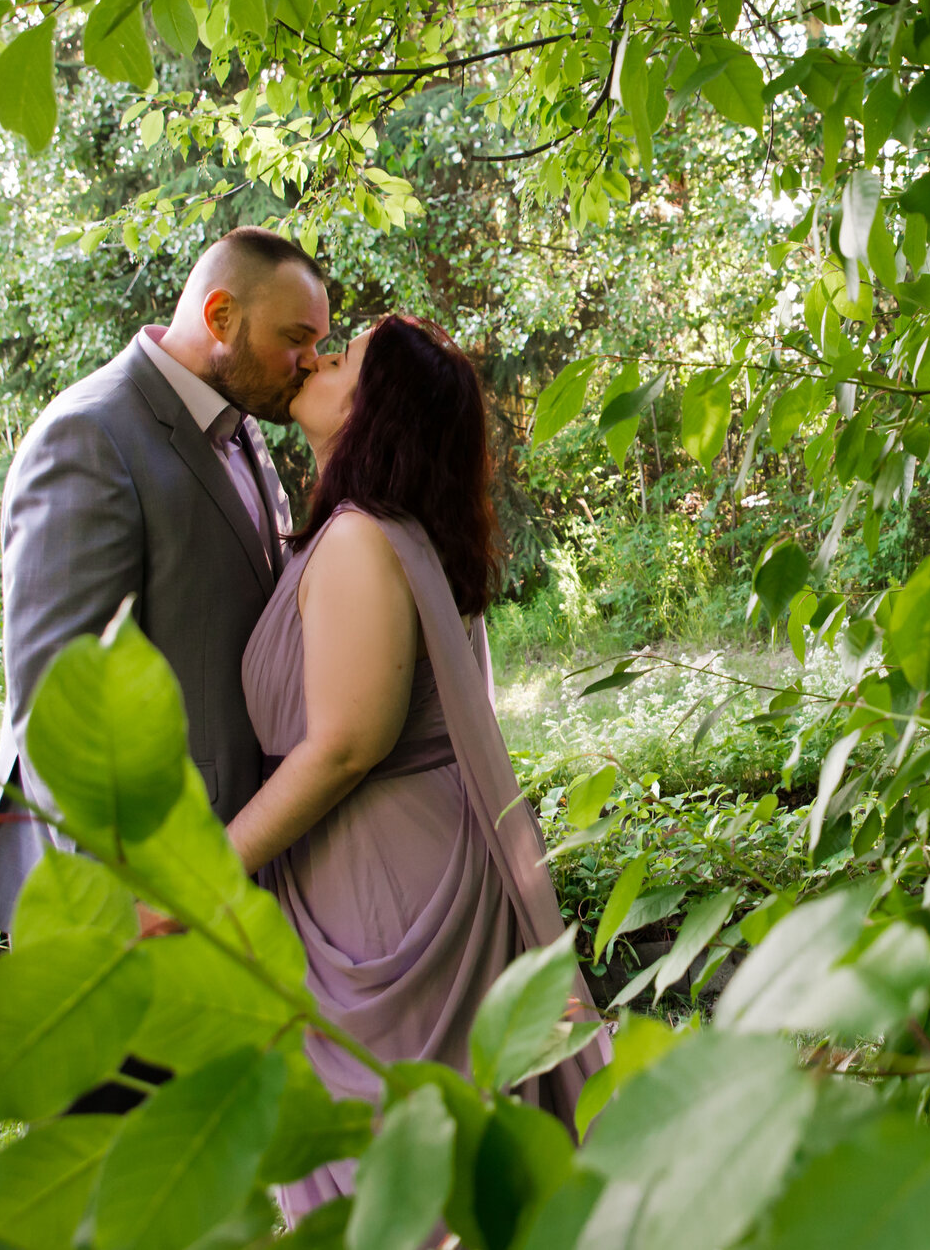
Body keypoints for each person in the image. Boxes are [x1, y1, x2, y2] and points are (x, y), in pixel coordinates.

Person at [228, 315, 606, 1218]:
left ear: (376, 406)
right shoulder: (378, 530)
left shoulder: (364, 538)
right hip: (385, 865)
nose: (318, 356)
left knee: (400, 1173)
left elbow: (347, 743)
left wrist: (203, 871)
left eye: (344, 353)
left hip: (389, 894)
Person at [0, 227, 332, 934]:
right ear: (221, 317)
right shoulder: (88, 437)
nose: (310, 363)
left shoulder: (243, 430)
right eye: (296, 338)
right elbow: (58, 699)